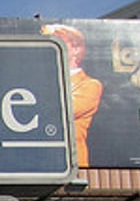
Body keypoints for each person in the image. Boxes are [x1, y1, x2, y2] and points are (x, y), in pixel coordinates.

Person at [42, 23, 103, 167]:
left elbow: (59, 111)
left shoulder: (90, 85)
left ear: (76, 49)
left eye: (57, 42)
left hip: (72, 164)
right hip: (43, 161)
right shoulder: (42, 80)